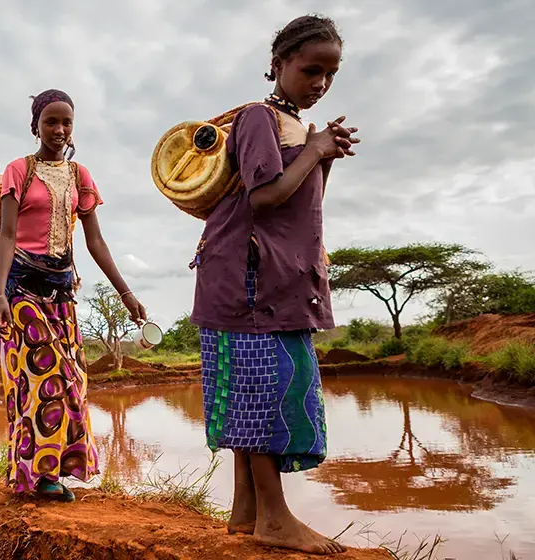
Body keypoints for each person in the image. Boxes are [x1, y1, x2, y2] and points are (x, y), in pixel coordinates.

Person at [189, 15, 359, 555]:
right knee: (263, 388)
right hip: (247, 280)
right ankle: (276, 519)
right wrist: (315, 150)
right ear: (279, 64)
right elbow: (263, 197)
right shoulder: (258, 118)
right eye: (311, 70)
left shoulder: (299, 129)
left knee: (255, 386)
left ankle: (246, 511)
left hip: (276, 280)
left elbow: (300, 206)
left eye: (331, 74)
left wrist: (321, 152)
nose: (321, 83)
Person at [0, 89, 148, 502]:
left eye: (66, 123)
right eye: (51, 122)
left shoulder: (81, 176)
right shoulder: (17, 171)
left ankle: (56, 469)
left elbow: (95, 241)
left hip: (62, 291)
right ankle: (40, 477)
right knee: (45, 379)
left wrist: (126, 293)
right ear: (35, 126)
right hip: (22, 289)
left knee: (73, 381)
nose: (59, 130)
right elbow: (6, 237)